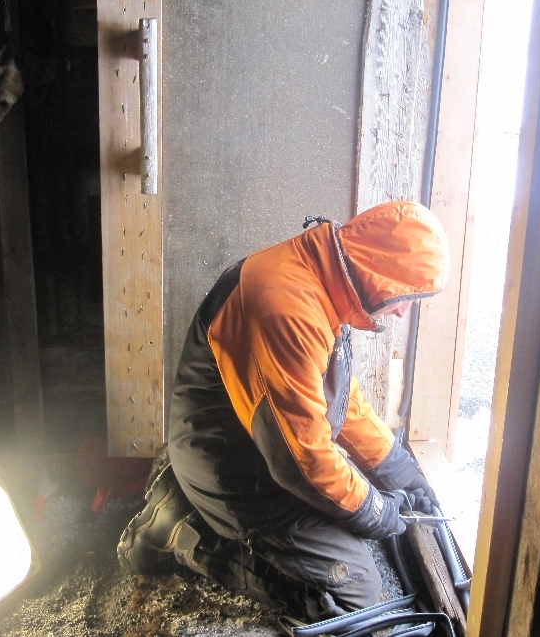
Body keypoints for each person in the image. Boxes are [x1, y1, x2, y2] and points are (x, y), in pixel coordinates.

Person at [118, 201, 450, 620]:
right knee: (356, 590)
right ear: (377, 271)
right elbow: (301, 461)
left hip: (245, 445)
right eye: (406, 295)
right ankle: (182, 533)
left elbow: (340, 400)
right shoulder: (286, 305)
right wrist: (375, 511)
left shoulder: (315, 279)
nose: (403, 310)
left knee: (350, 514)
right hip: (233, 469)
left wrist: (397, 468)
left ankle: (185, 496)